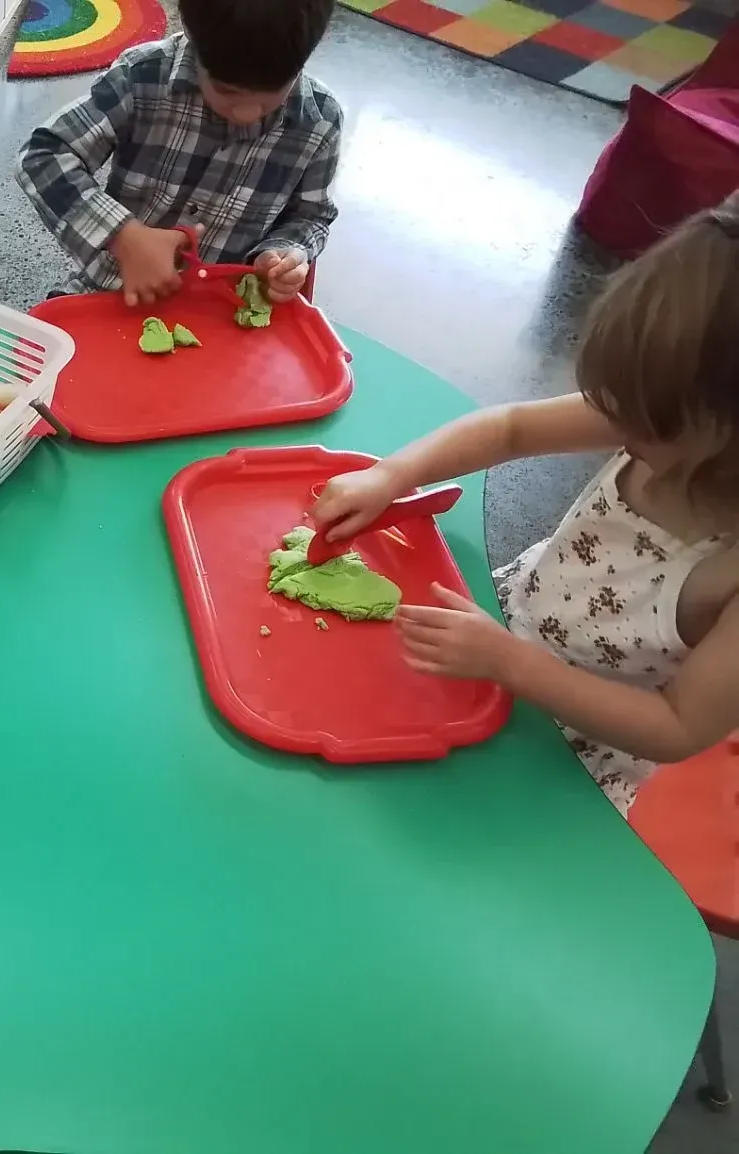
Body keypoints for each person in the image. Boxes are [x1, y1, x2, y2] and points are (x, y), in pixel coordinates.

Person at [313, 196, 739, 814]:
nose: (618, 427)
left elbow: (675, 728)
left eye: (644, 423)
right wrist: (391, 475)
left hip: (570, 749)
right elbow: (510, 427)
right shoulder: (660, 412)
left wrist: (512, 664)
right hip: (505, 623)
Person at [16, 0, 340, 305]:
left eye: (272, 94)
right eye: (227, 91)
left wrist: (284, 252)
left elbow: (310, 216)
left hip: (222, 311)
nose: (246, 112)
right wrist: (124, 237)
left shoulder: (320, 121)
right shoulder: (141, 78)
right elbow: (43, 156)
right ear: (192, 33)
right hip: (114, 289)